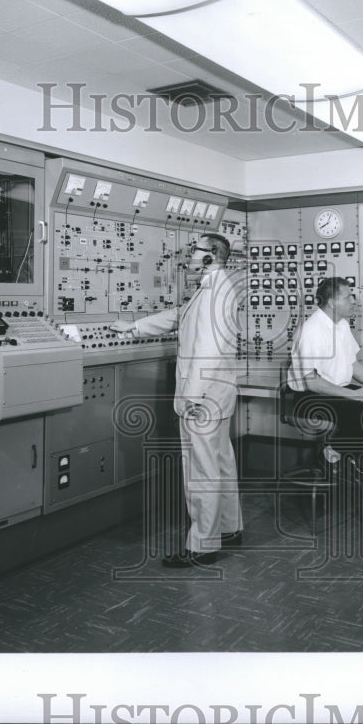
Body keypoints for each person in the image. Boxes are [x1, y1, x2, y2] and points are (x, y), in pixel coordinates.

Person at [110, 233, 243, 568]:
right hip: (218, 393)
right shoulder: (213, 288)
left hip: (204, 396)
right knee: (221, 463)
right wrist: (134, 327)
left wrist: (193, 395)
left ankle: (203, 545)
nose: (189, 257)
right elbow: (178, 316)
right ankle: (229, 527)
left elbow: (209, 350)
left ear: (211, 255)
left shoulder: (216, 293)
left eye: (194, 251)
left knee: (201, 469)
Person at [287, 277, 363, 465]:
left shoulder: (341, 325)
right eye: (348, 297)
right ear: (332, 303)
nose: (354, 301)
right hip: (311, 396)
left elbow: (353, 364)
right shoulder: (312, 330)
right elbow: (311, 381)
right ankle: (334, 459)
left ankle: (342, 455)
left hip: (338, 390)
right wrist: (352, 395)